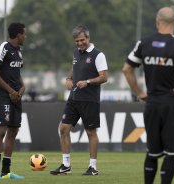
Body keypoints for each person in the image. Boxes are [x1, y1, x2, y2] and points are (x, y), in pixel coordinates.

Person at [122, 6, 174, 184]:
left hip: (152, 103)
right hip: (172, 104)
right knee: (172, 153)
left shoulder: (144, 43)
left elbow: (127, 69)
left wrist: (139, 93)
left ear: (157, 21)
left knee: (152, 153)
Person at [50, 25, 108, 176]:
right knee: (63, 129)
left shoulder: (98, 55)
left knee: (90, 132)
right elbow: (74, 66)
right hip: (74, 98)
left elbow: (104, 77)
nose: (80, 43)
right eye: (77, 41)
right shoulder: (76, 53)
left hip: (90, 100)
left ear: (88, 38)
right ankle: (65, 165)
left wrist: (87, 82)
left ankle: (93, 167)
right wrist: (69, 78)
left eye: (82, 40)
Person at [0, 22, 26, 180]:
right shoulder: (4, 46)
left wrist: (22, 88)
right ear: (18, 35)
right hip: (4, 95)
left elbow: (17, 74)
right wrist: (10, 91)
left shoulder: (19, 51)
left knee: (13, 131)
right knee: (2, 130)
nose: (25, 37)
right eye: (24, 34)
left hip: (16, 96)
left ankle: (6, 171)